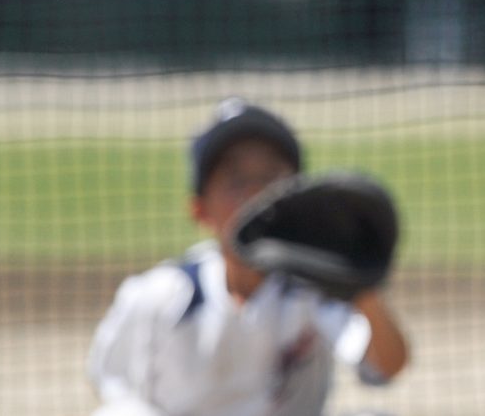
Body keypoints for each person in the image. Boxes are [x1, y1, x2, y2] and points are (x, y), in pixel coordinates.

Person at [86, 98, 411, 416]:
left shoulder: (314, 288)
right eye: (236, 181)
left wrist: (362, 288)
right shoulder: (158, 293)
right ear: (199, 209)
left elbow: (387, 366)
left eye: (271, 177)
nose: (256, 194)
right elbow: (113, 384)